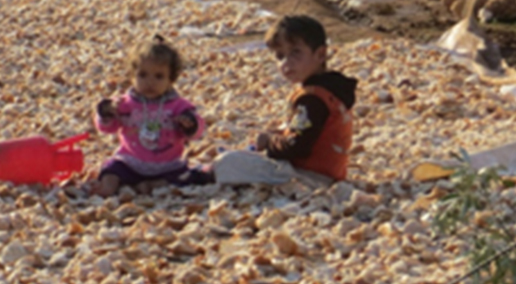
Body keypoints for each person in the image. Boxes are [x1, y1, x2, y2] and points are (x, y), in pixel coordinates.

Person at [213, 15, 358, 187]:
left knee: (228, 161)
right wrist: (282, 133)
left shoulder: (313, 99)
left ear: (320, 54)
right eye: (280, 56)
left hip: (310, 177)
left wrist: (269, 141)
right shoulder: (331, 90)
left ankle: (202, 174)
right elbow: (306, 133)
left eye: (295, 53)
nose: (286, 63)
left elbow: (297, 147)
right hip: (328, 173)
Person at [92, 36, 211, 195]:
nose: (150, 82)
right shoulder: (124, 104)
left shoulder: (178, 106)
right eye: (143, 75)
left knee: (183, 177)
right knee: (111, 170)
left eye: (159, 76)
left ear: (171, 79)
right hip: (131, 162)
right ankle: (108, 187)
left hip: (168, 165)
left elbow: (197, 129)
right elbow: (106, 128)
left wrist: (190, 124)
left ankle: (152, 185)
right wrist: (106, 112)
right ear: (132, 76)